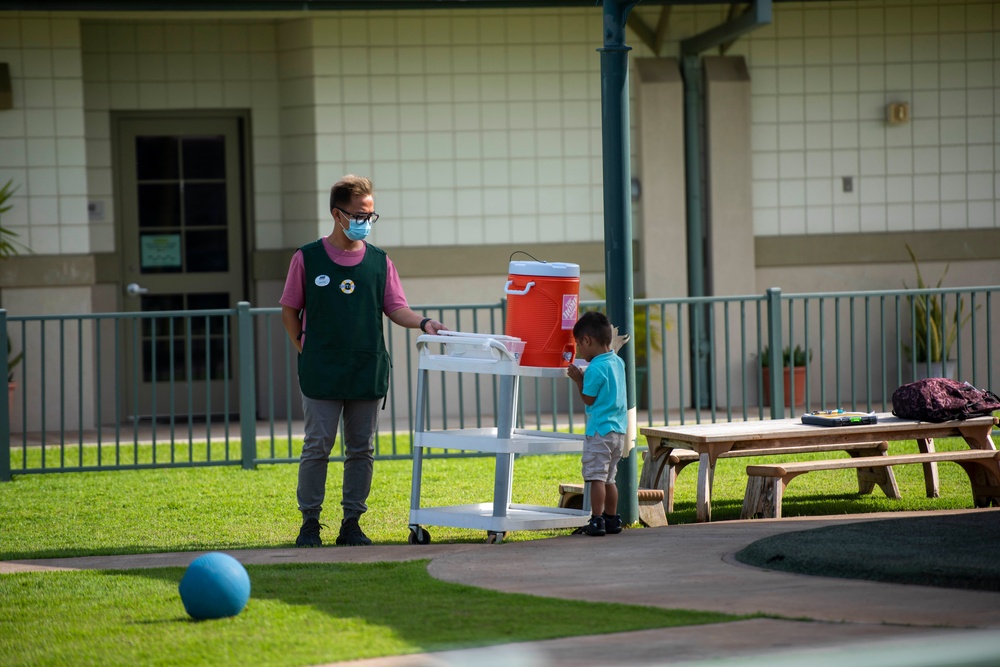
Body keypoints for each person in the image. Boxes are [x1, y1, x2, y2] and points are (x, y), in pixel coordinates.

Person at [280, 174, 446, 547]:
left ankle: (351, 523)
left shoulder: (379, 262)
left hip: (365, 369)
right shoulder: (306, 257)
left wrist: (424, 322)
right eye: (359, 215)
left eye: (370, 215)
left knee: (361, 449)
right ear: (337, 215)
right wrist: (304, 349)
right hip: (321, 370)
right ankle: (310, 523)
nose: (365, 222)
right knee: (317, 445)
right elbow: (290, 310)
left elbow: (395, 307)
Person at [566, 311, 627, 537]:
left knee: (595, 478)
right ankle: (612, 518)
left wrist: (578, 378)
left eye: (579, 345)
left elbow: (588, 398)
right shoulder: (617, 362)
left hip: (599, 431)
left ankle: (597, 519)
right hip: (618, 431)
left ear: (588, 341)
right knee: (610, 478)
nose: (580, 351)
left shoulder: (594, 368)